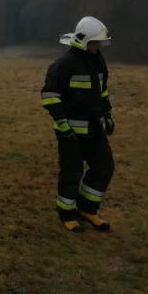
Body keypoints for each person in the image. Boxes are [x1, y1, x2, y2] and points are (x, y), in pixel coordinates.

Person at [41, 16, 116, 233]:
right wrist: (61, 122)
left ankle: (87, 209)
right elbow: (49, 95)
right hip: (70, 132)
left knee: (104, 167)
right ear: (83, 41)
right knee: (71, 173)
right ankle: (67, 214)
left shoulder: (99, 61)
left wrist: (108, 113)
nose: (98, 47)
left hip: (95, 129)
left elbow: (102, 91)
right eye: (95, 43)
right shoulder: (63, 65)